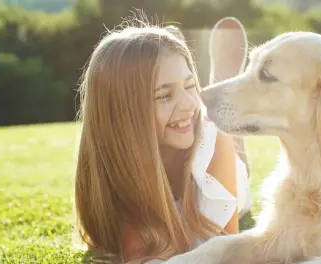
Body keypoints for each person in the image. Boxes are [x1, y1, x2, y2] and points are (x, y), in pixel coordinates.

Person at [73, 17, 252, 264]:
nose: (190, 103)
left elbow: (222, 249)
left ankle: (223, 104)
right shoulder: (119, 162)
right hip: (168, 147)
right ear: (123, 112)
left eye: (190, 86)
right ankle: (220, 102)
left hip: (211, 146)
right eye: (164, 95)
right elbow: (140, 256)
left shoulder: (212, 142)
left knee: (224, 138)